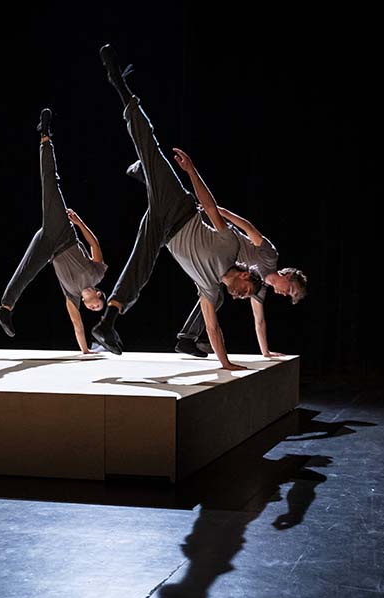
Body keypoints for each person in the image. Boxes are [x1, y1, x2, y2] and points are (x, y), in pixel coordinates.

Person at [91, 44, 259, 370]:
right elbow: (210, 208)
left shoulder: (211, 289)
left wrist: (225, 365)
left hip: (163, 229)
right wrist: (192, 170)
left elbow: (211, 327)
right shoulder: (230, 246)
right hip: (179, 205)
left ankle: (108, 321)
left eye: (243, 296)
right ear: (243, 273)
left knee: (140, 266)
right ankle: (120, 84)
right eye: (245, 289)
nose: (240, 295)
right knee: (149, 144)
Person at [0, 108, 107, 354]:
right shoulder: (97, 275)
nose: (94, 309)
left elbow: (77, 326)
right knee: (50, 184)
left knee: (25, 272)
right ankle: (45, 136)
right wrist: (79, 223)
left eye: (93, 311)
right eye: (98, 307)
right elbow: (95, 244)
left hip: (48, 246)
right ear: (99, 295)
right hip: (64, 233)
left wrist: (85, 351)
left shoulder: (72, 297)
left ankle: (4, 310)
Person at [172, 206, 308, 358]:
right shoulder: (270, 256)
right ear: (287, 275)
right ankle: (188, 338)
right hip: (215, 231)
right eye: (289, 290)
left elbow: (260, 321)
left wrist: (266, 352)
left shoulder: (259, 288)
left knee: (214, 295)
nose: (285, 295)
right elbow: (248, 227)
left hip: (215, 258)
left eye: (288, 296)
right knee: (215, 295)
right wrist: (216, 211)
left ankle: (187, 339)